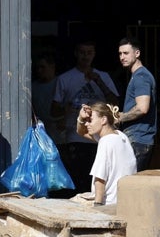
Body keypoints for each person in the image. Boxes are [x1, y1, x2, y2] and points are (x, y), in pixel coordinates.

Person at [52, 40, 120, 194]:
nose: (86, 56)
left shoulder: (103, 76)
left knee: (100, 178)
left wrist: (98, 81)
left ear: (94, 54)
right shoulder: (65, 78)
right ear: (76, 53)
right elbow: (54, 111)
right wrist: (66, 108)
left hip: (101, 137)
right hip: (75, 136)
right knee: (78, 180)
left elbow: (115, 103)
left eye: (89, 52)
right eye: (82, 52)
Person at [75, 101, 136, 206]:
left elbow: (100, 177)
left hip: (109, 203)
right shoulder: (121, 136)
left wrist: (98, 205)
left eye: (90, 120)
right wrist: (81, 117)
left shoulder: (105, 142)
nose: (86, 124)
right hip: (125, 201)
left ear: (103, 120)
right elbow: (81, 132)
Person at [116, 37, 157, 171]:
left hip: (139, 139)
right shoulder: (138, 76)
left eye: (126, 53)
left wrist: (120, 117)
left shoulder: (141, 77)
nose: (122, 57)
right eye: (120, 54)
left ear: (137, 53)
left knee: (132, 184)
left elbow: (142, 108)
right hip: (138, 139)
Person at [31, 52, 64, 146]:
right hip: (41, 132)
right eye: (37, 68)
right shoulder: (33, 87)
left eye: (42, 67)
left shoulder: (61, 83)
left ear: (52, 67)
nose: (39, 70)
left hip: (59, 132)